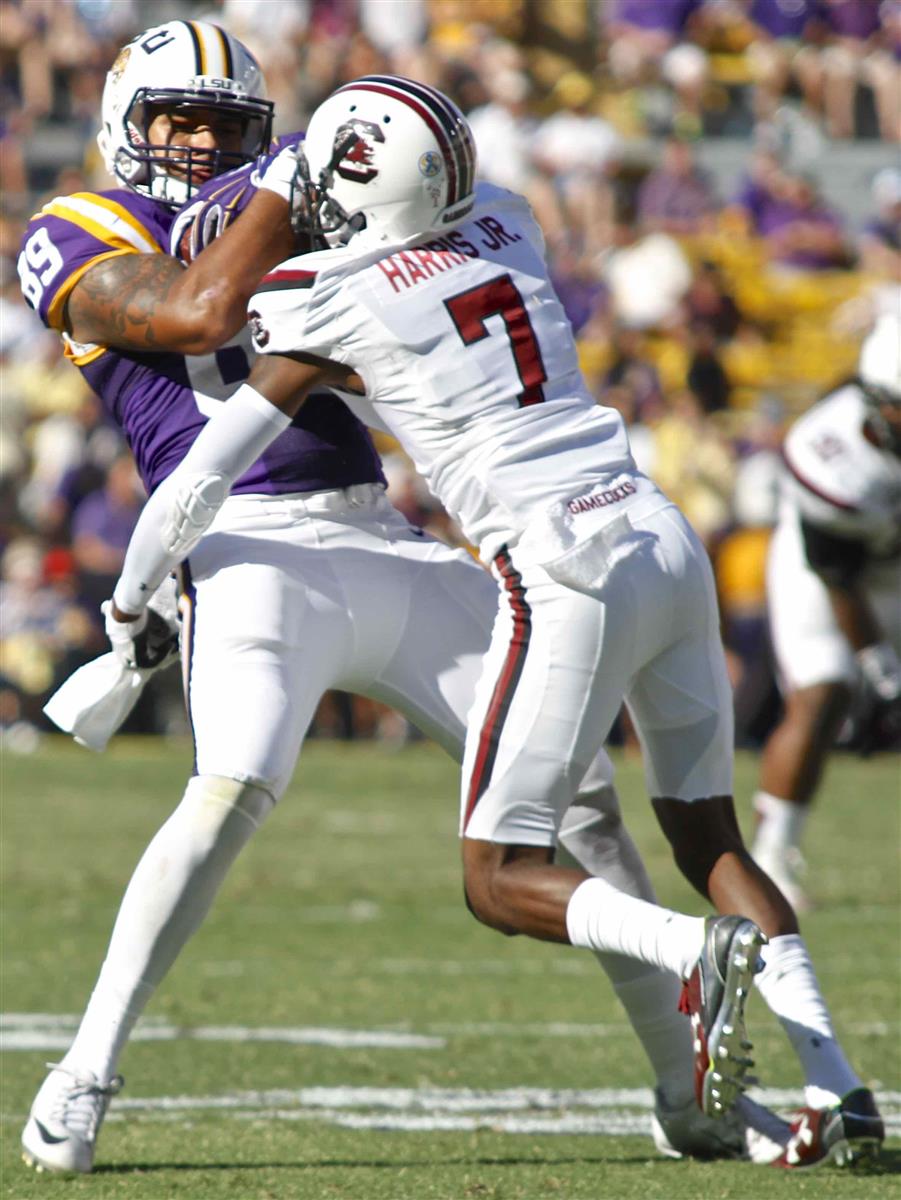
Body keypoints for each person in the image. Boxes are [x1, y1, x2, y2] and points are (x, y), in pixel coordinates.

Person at [16, 23, 773, 1175]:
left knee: (580, 802)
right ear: (126, 117)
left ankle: (687, 1089)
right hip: (242, 547)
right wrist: (287, 181)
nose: (202, 142)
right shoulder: (76, 227)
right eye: (180, 120)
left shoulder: (300, 201)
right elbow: (192, 318)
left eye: (227, 125)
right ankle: (85, 1074)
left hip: (380, 529)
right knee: (229, 792)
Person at [751, 310, 901, 910]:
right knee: (824, 690)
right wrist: (880, 665)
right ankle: (772, 850)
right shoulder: (831, 456)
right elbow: (840, 577)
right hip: (831, 574)